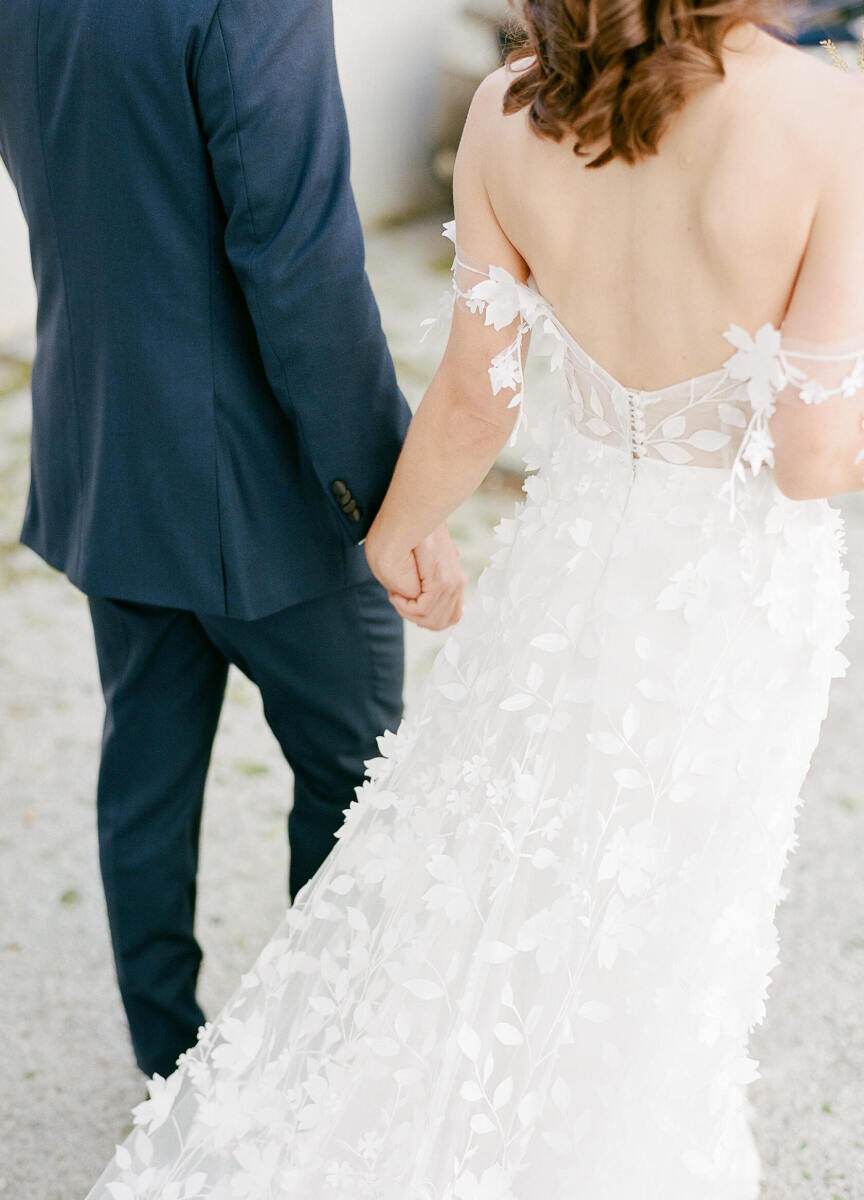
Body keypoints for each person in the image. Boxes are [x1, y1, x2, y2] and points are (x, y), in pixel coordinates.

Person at [88, 0, 864, 1196]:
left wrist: (399, 532)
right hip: (725, 603)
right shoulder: (824, 117)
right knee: (668, 921)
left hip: (564, 579)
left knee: (508, 879)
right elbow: (814, 458)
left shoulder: (513, 111)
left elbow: (472, 398)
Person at [0, 0, 465, 1084]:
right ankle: (319, 1072)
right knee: (354, 775)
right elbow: (298, 256)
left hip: (107, 450)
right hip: (268, 495)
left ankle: (168, 1064)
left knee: (145, 777)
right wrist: (386, 492)